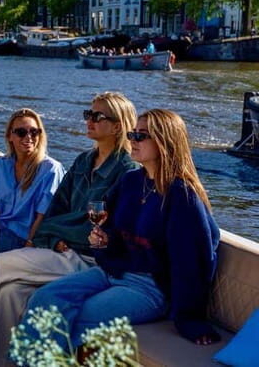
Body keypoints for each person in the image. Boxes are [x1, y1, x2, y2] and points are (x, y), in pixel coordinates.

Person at [23, 109, 221, 349]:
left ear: (165, 141)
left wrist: (190, 318)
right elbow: (113, 230)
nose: (133, 141)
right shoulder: (131, 181)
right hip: (113, 270)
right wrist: (103, 240)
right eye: (132, 134)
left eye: (141, 136)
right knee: (43, 298)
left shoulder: (181, 196)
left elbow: (192, 261)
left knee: (75, 316)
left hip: (150, 287)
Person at [0, 92, 138, 365]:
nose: (89, 121)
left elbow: (103, 228)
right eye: (88, 114)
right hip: (62, 250)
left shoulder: (127, 172)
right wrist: (53, 238)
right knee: (10, 294)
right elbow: (56, 209)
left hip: (90, 261)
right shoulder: (84, 161)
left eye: (97, 116)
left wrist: (59, 235)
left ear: (118, 126)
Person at [0, 109, 65, 253]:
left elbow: (42, 216)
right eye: (21, 132)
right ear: (10, 136)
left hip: (23, 237)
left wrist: (29, 245)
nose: (28, 137)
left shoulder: (51, 169)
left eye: (34, 132)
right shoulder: (0, 165)